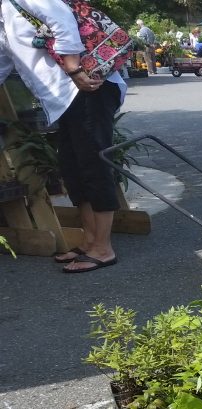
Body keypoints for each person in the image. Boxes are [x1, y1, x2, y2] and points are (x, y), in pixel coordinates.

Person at [1, 0, 127, 272]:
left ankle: (103, 249)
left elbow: (61, 19)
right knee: (73, 169)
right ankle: (90, 241)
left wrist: (74, 68)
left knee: (94, 165)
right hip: (64, 98)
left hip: (87, 87)